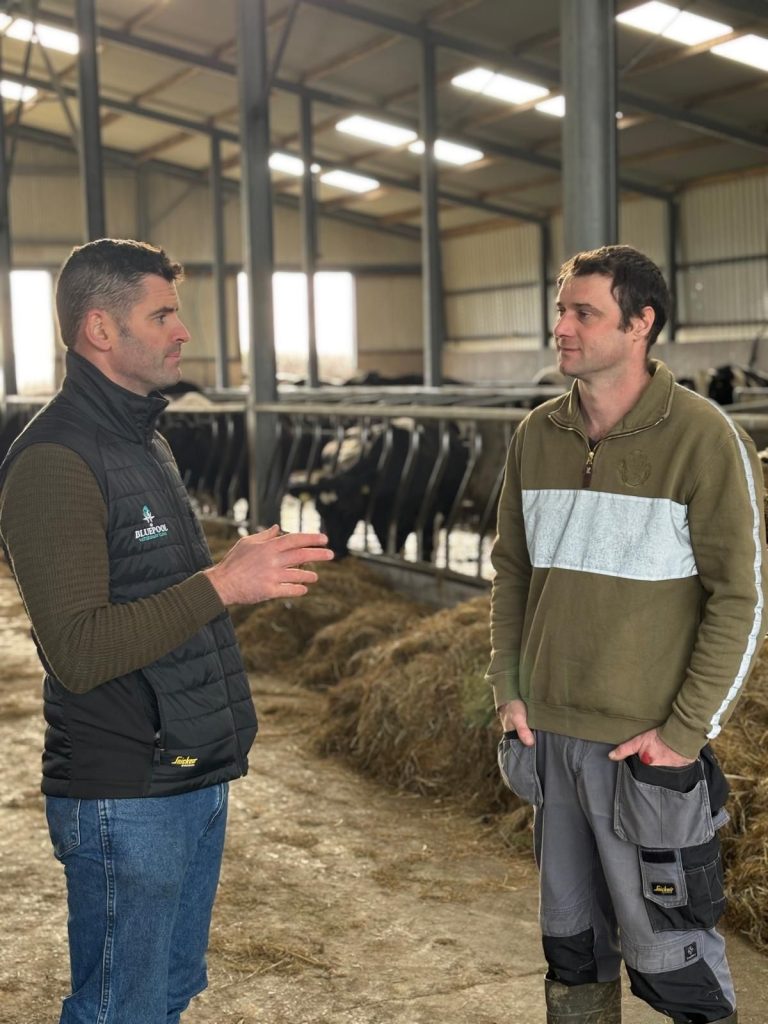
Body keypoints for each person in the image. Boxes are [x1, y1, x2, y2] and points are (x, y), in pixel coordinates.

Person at [0, 238, 334, 1024]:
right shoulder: (54, 461)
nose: (183, 331)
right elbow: (80, 652)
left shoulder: (143, 439)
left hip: (188, 768)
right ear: (100, 330)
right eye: (162, 315)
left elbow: (160, 598)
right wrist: (224, 582)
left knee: (164, 998)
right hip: (126, 787)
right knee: (122, 1009)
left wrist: (233, 579)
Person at [486, 244, 767, 1024]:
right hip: (550, 742)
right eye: (561, 310)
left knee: (674, 958)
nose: (562, 328)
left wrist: (684, 733)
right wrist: (509, 689)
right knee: (572, 950)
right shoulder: (536, 434)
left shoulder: (703, 439)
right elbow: (511, 572)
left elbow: (741, 601)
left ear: (640, 323)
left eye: (584, 313)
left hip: (644, 753)